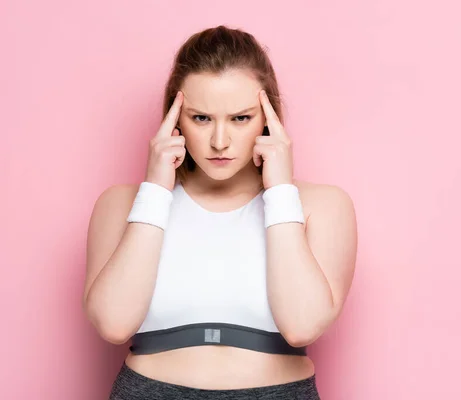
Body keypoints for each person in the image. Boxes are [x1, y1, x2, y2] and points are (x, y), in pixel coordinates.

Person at [83, 25, 357, 400]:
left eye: (240, 118)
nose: (219, 141)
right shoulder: (121, 203)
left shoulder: (321, 205)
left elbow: (301, 326)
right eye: (201, 118)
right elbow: (113, 323)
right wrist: (155, 190)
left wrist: (279, 191)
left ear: (268, 118)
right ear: (174, 119)